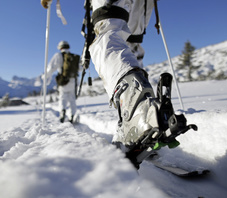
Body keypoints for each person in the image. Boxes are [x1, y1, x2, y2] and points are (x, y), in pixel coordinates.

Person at [41, 0, 194, 169]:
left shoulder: (59, 56)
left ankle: (138, 114)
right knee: (131, 44)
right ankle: (146, 111)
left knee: (107, 34)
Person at [44, 41, 80, 123]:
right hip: (73, 81)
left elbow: (51, 68)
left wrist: (45, 76)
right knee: (72, 99)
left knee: (62, 98)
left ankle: (62, 112)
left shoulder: (58, 56)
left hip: (63, 81)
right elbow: (80, 68)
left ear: (60, 48)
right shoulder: (74, 57)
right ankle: (72, 116)